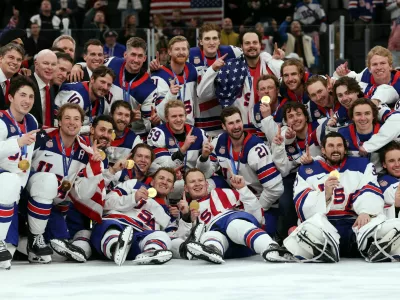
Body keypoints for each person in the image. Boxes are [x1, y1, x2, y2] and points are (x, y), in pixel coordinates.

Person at [286, 131, 400, 262]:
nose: (335, 149)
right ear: (323, 150)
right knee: (311, 227)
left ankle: (370, 246)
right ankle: (327, 247)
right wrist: (326, 194)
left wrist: (366, 211)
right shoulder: (306, 170)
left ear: (345, 149)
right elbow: (301, 202)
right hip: (325, 223)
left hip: (355, 223)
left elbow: (369, 188)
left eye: (339, 145)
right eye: (331, 146)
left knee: (382, 224)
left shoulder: (363, 165)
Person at [26, 109, 109, 263]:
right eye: (67, 118)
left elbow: (82, 194)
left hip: (53, 207)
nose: (72, 122)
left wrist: (94, 169)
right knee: (48, 181)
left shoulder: (85, 150)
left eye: (76, 119)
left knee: (56, 248)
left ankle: (31, 246)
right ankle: (34, 238)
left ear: (81, 123)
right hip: (26, 197)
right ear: (59, 121)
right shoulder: (43, 137)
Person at [197, 107, 283, 235]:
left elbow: (276, 188)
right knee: (205, 183)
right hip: (235, 198)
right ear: (224, 126)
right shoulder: (219, 141)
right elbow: (206, 173)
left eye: (238, 121)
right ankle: (198, 219)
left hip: (260, 200)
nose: (236, 126)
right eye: (231, 123)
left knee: (258, 236)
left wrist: (256, 209)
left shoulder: (255, 149)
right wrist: (204, 157)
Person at [183, 168, 292, 264]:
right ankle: (213, 250)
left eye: (200, 180)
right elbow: (189, 243)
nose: (197, 184)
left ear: (207, 184)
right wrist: (189, 219)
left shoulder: (223, 193)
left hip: (244, 238)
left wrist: (243, 189)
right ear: (186, 188)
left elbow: (257, 214)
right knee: (211, 235)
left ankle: (270, 246)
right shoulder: (187, 210)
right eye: (192, 182)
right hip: (230, 250)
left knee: (233, 224)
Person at [197, 30, 284, 137]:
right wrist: (213, 69)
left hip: (271, 129)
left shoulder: (272, 65)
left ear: (260, 45)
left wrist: (278, 61)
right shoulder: (230, 68)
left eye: (254, 42)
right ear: (241, 47)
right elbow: (202, 94)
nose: (251, 46)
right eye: (247, 43)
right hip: (241, 132)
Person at [91, 167, 185, 265]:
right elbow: (105, 203)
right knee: (109, 227)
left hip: (140, 237)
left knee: (162, 236)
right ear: (152, 182)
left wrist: (186, 217)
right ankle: (115, 246)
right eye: (161, 178)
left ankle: (151, 252)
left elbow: (172, 237)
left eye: (169, 181)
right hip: (118, 223)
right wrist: (133, 198)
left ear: (172, 188)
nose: (164, 182)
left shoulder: (170, 212)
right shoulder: (134, 184)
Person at [0, 76, 39, 269]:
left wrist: (20, 185)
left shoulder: (32, 121)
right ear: (10, 97)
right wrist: (18, 142)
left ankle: (34, 242)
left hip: (15, 184)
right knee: (9, 181)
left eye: (31, 96)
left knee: (45, 182)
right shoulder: (0, 120)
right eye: (22, 95)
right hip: (3, 180)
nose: (27, 100)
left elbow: (27, 159)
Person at [271, 102, 323, 242]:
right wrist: (280, 145)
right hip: (295, 176)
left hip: (319, 174)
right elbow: (283, 169)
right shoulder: (283, 137)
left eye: (299, 114)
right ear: (286, 122)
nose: (295, 119)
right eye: (290, 116)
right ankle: (284, 238)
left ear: (306, 117)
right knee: (285, 201)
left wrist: (314, 161)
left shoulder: (318, 130)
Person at [147, 100, 209, 198]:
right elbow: (162, 167)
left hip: (193, 179)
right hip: (170, 179)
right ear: (166, 118)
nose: (178, 119)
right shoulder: (158, 133)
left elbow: (206, 170)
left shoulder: (199, 133)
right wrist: (183, 149)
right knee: (178, 185)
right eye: (174, 116)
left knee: (208, 184)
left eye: (181, 115)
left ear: (185, 116)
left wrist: (205, 157)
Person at [54, 65, 115, 134]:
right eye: (102, 82)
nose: (105, 87)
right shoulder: (76, 96)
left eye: (109, 85)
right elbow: (65, 128)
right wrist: (92, 129)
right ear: (92, 79)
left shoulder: (102, 99)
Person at [335, 46, 400, 106]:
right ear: (369, 69)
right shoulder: (366, 74)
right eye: (375, 64)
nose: (379, 67)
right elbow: (353, 79)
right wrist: (340, 74)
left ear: (390, 66)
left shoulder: (398, 80)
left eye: (382, 63)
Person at [106, 100, 141, 164]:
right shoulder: (101, 134)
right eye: (119, 114)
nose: (123, 119)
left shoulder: (135, 140)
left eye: (127, 115)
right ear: (111, 115)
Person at [29, 49, 58, 126]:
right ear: (36, 64)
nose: (50, 67)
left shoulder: (51, 88)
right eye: (46, 63)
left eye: (53, 64)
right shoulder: (26, 84)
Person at [0, 43, 25, 110]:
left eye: (19, 60)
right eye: (11, 57)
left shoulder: (20, 82)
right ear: (1, 58)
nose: (15, 62)